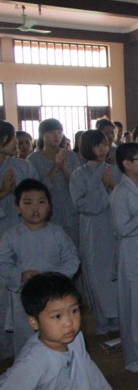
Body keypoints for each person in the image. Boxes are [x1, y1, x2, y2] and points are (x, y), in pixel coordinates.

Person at [0, 179, 80, 357]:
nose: (35, 208)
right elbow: (3, 263)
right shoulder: (11, 235)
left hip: (55, 294)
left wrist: (55, 277)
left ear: (49, 206)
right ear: (18, 208)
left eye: (41, 202)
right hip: (24, 296)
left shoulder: (57, 232)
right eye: (28, 203)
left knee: (58, 335)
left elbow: (72, 258)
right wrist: (21, 276)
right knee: (26, 340)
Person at [0, 272, 111, 389]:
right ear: (34, 322)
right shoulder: (32, 362)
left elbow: (91, 373)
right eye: (57, 316)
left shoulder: (75, 337)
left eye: (74, 311)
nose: (69, 323)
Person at [69, 130, 119, 335]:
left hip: (112, 226)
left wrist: (111, 186)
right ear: (87, 148)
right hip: (92, 230)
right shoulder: (79, 174)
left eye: (105, 145)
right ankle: (102, 320)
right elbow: (81, 204)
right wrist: (103, 187)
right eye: (97, 145)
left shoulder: (114, 170)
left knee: (114, 272)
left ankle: (118, 318)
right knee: (96, 273)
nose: (102, 149)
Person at [110, 142, 138, 373]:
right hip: (132, 255)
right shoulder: (120, 193)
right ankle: (136, 360)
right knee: (134, 311)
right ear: (126, 164)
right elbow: (122, 228)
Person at [0, 121, 38, 358]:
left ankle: (25, 347)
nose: (16, 143)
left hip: (22, 233)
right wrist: (4, 191)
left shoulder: (22, 166)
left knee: (22, 288)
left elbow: (36, 193)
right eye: (12, 138)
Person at [27, 118, 81, 248]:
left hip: (71, 212)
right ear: (42, 134)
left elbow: (78, 184)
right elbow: (36, 188)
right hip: (49, 212)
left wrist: (63, 168)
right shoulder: (33, 159)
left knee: (73, 249)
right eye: (52, 132)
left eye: (59, 132)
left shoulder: (71, 156)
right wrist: (55, 167)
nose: (56, 135)